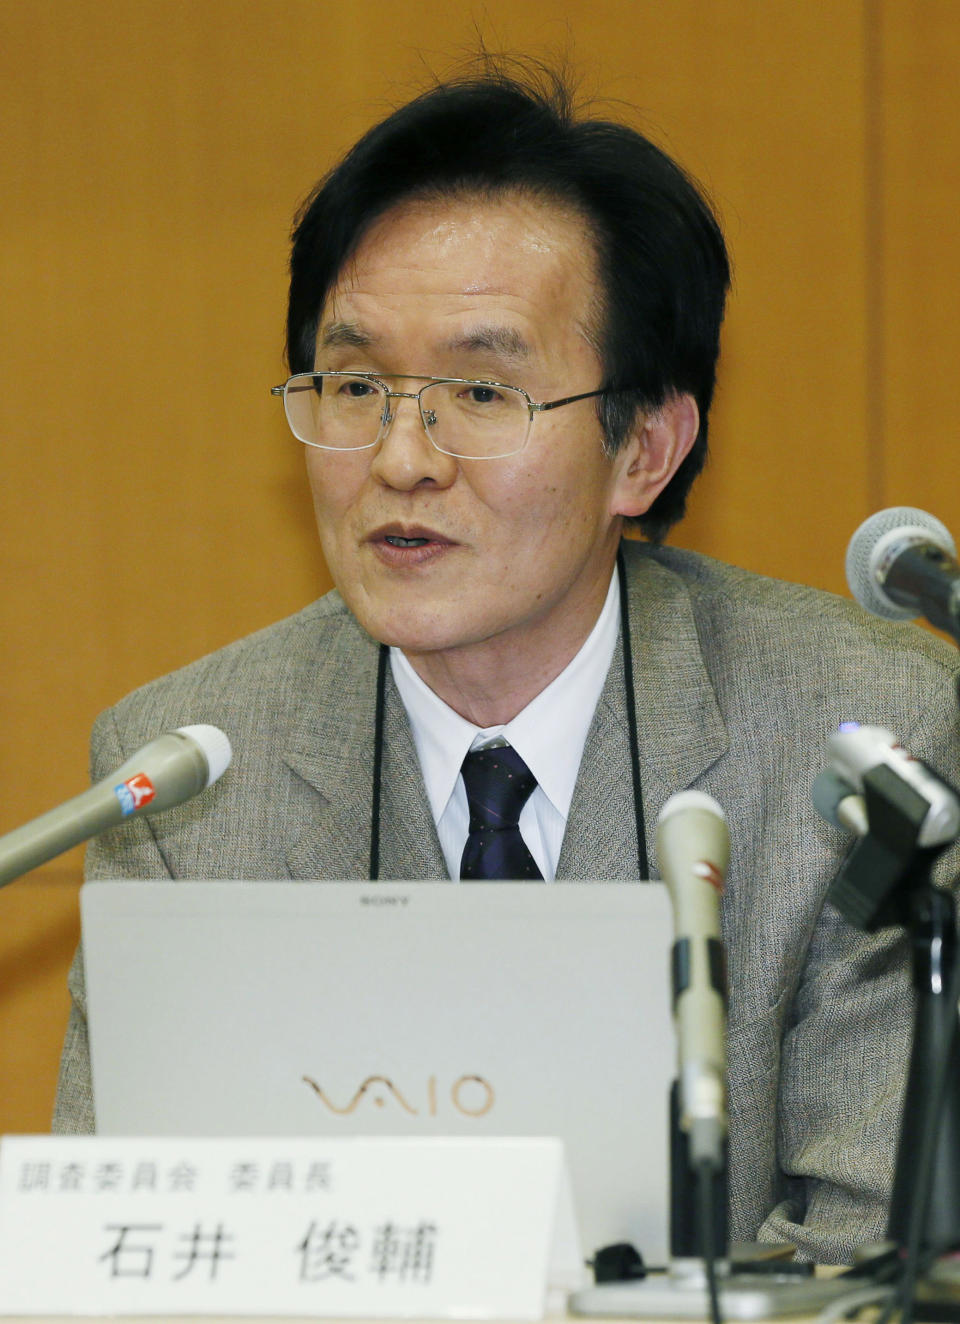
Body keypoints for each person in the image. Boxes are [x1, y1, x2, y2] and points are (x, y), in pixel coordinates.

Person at [53, 65, 960, 1266]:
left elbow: (869, 1262)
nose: (403, 457)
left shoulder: (857, 736)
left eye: (481, 389)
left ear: (644, 445)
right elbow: (134, 1249)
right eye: (358, 384)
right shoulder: (188, 775)